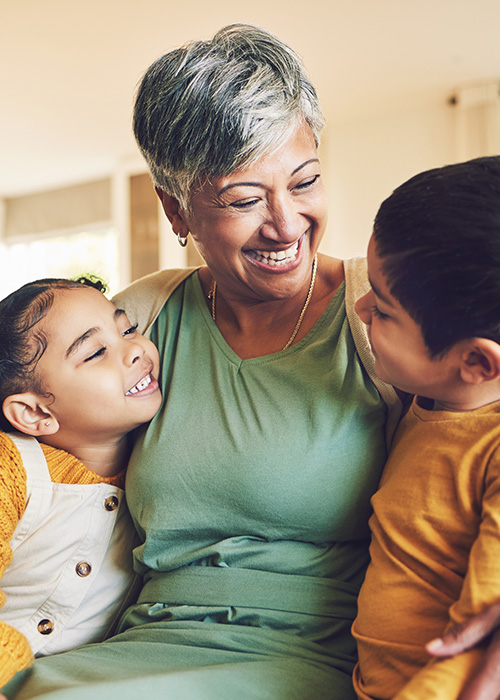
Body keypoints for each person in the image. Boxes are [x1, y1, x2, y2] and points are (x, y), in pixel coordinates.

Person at [4, 23, 498, 700]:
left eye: (305, 181)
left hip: (303, 662)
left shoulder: (383, 318)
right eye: (244, 200)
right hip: (130, 647)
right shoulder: (137, 323)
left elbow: (479, 439)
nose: (286, 223)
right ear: (176, 209)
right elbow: (30, 449)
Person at [352, 155, 500, 699]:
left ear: (478, 364)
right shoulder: (428, 401)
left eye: (384, 311)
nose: (361, 307)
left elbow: (476, 644)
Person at [0, 277, 161, 688]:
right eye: (96, 352)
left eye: (127, 329)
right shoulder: (12, 465)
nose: (135, 350)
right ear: (35, 414)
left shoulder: (158, 473)